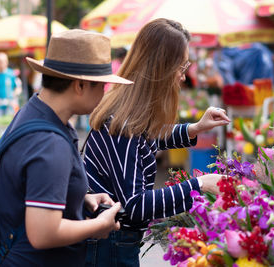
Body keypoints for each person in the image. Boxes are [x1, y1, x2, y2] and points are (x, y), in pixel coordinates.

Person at [83, 18, 231, 267]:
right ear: (160, 69)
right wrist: (200, 184)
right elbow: (135, 205)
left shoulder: (127, 114)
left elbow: (148, 136)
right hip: (110, 245)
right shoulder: (124, 125)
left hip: (111, 240)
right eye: (181, 67)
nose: (183, 77)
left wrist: (194, 128)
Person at [0, 29, 133, 266]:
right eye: (101, 85)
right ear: (79, 85)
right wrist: (99, 225)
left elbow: (32, 187)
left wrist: (80, 199)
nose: (104, 92)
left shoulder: (34, 111)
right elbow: (43, 233)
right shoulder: (51, 143)